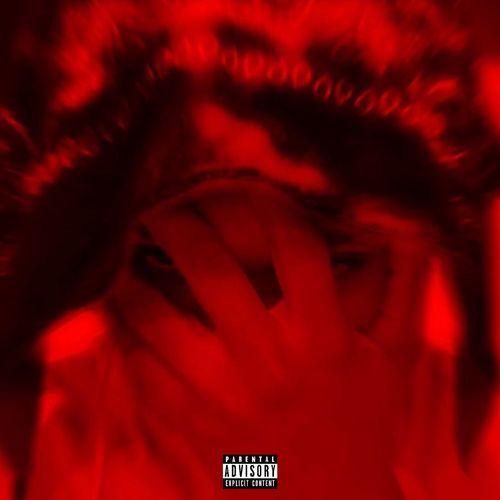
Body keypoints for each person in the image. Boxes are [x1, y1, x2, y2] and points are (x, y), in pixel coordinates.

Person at [0, 0, 499, 498]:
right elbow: (243, 469)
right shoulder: (36, 421)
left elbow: (247, 468)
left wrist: (325, 478)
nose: (268, 358)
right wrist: (274, 469)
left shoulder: (476, 437)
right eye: (170, 262)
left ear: (417, 261)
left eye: (337, 263)